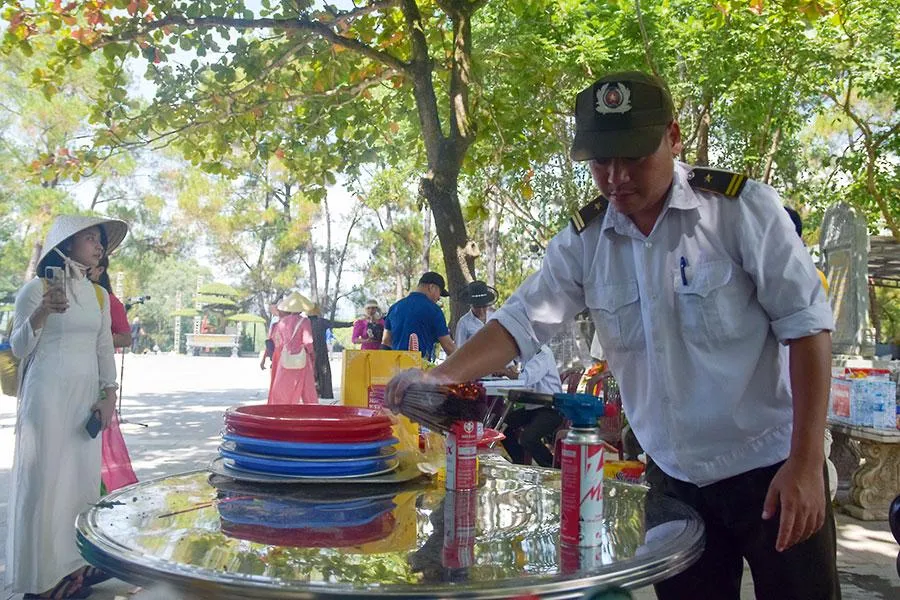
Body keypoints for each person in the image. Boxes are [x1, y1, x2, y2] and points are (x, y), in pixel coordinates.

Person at [388, 71, 838, 599]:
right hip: (674, 482)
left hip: (773, 471)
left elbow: (808, 329)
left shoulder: (740, 212)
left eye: (634, 156)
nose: (617, 176)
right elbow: (520, 322)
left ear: (673, 137)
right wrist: (440, 377)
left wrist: (807, 460)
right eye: (601, 161)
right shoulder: (587, 240)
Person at [7, 214, 128, 599]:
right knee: (45, 486)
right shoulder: (34, 290)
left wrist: (109, 395)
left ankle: (71, 571)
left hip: (84, 400)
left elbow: (103, 348)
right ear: (68, 243)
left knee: (78, 484)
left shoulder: (98, 296)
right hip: (45, 399)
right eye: (92, 238)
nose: (99, 247)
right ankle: (40, 580)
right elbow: (17, 348)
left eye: (101, 240)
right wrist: (42, 311)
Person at [87, 256, 138, 494]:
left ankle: (98, 489)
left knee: (93, 436)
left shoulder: (108, 300)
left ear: (100, 270)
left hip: (97, 374)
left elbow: (126, 337)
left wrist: (96, 338)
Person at [500, 345, 563, 467]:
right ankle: (520, 462)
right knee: (503, 425)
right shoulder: (529, 354)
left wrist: (506, 372)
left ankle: (552, 467)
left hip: (550, 408)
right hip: (534, 406)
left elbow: (526, 378)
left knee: (528, 438)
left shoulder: (542, 353)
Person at [382, 271, 457, 362]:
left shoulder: (394, 308)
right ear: (431, 287)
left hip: (396, 368)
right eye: (439, 293)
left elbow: (386, 343)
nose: (438, 298)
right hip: (419, 370)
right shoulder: (434, 310)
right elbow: (448, 346)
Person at [267, 292, 317, 405]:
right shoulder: (305, 321)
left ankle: (281, 410)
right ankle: (312, 411)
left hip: (285, 358)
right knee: (308, 388)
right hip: (302, 358)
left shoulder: (282, 322)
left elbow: (277, 341)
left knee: (282, 387)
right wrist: (312, 354)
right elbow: (308, 341)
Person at [305, 304, 353, 399]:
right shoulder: (322, 322)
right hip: (321, 351)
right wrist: (350, 324)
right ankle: (325, 393)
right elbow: (336, 324)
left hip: (309, 351)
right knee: (324, 372)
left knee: (310, 372)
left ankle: (311, 393)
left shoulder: (305, 323)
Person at [454, 280, 498, 347]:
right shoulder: (463, 323)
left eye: (484, 306)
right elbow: (458, 349)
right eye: (477, 306)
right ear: (471, 305)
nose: (481, 310)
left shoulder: (495, 317)